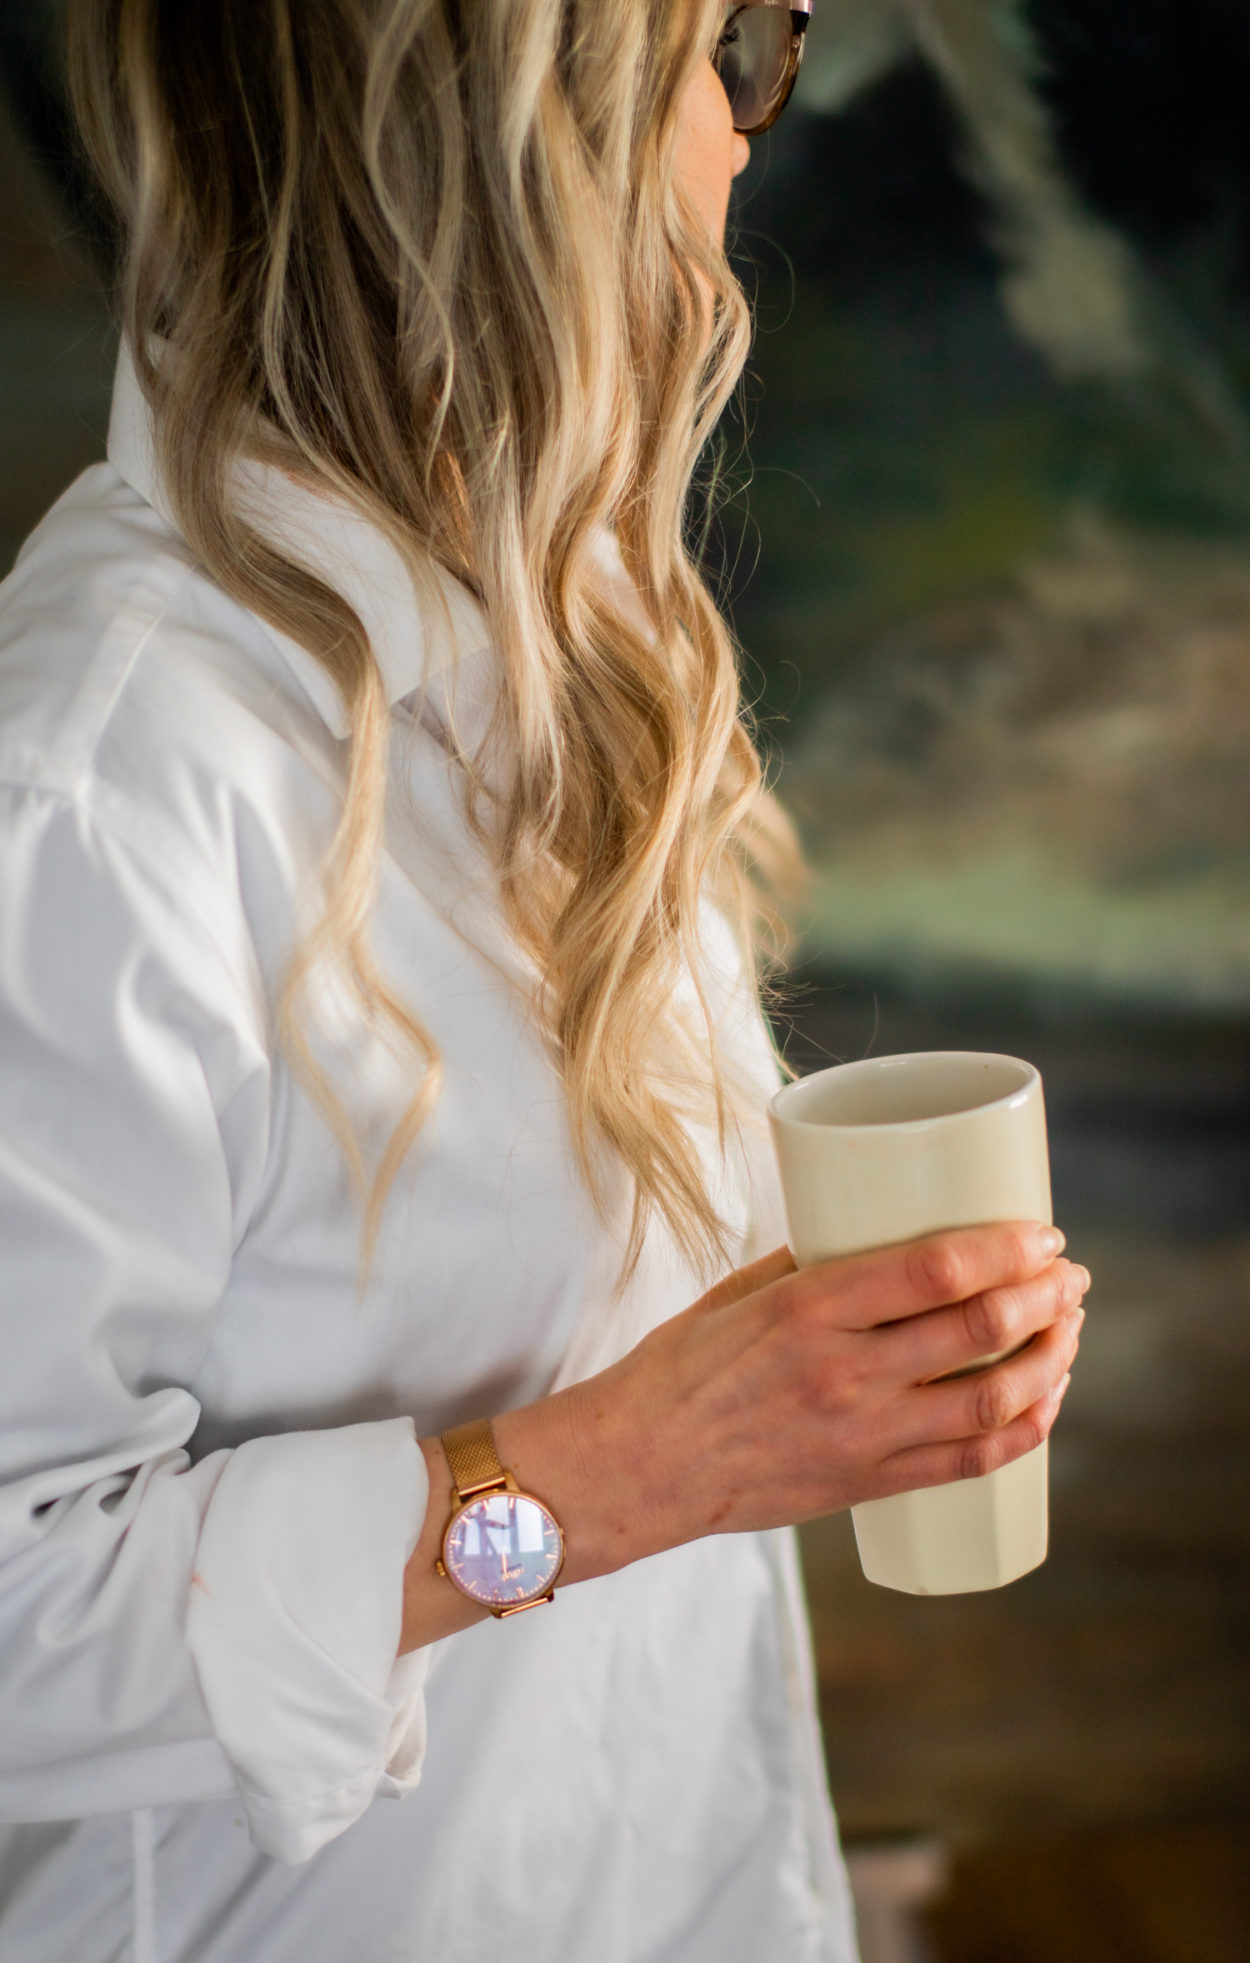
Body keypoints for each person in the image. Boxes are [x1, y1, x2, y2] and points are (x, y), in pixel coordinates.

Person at [0, 3, 1087, 1958]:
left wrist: (852, 1361)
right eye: (731, 48)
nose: (744, 132)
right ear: (513, 132)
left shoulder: (553, 624)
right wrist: (622, 1474)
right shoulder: (96, 788)